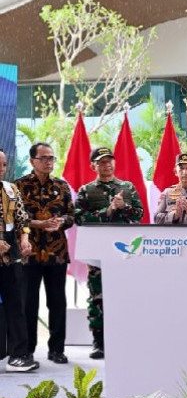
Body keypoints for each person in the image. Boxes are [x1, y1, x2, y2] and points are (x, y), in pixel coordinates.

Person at [74, 147, 144, 359]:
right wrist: (109, 211)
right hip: (97, 252)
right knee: (98, 297)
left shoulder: (127, 187)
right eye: (102, 162)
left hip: (124, 252)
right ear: (93, 166)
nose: (107, 165)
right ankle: (99, 343)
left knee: (125, 295)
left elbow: (139, 214)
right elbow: (79, 217)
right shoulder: (86, 190)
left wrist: (123, 208)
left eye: (109, 161)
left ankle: (125, 339)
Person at [15, 142, 74, 364]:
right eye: (44, 158)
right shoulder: (18, 186)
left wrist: (61, 222)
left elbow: (71, 215)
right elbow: (14, 219)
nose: (48, 162)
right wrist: (38, 224)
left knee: (57, 302)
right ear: (32, 161)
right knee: (28, 303)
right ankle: (27, 349)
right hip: (28, 253)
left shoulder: (62, 186)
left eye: (51, 158)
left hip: (56, 252)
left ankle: (57, 349)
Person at [0, 148, 39, 372]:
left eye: (4, 164)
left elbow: (22, 219)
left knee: (17, 306)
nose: (1, 169)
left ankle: (18, 356)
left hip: (10, 255)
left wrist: (24, 240)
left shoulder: (11, 189)